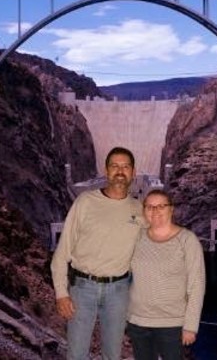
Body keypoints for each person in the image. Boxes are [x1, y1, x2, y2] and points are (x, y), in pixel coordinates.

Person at [51, 147, 144, 360]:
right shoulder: (85, 202)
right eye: (114, 166)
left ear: (133, 172)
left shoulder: (139, 210)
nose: (120, 171)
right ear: (106, 170)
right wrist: (61, 293)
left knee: (112, 354)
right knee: (76, 354)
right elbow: (62, 250)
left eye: (125, 167)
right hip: (83, 289)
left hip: (119, 291)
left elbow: (149, 254)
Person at [127, 189, 206, 360]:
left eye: (161, 206)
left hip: (171, 324)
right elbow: (125, 221)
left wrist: (191, 326)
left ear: (172, 209)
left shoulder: (187, 240)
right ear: (143, 210)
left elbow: (197, 285)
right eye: (149, 207)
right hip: (138, 322)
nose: (155, 211)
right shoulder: (137, 236)